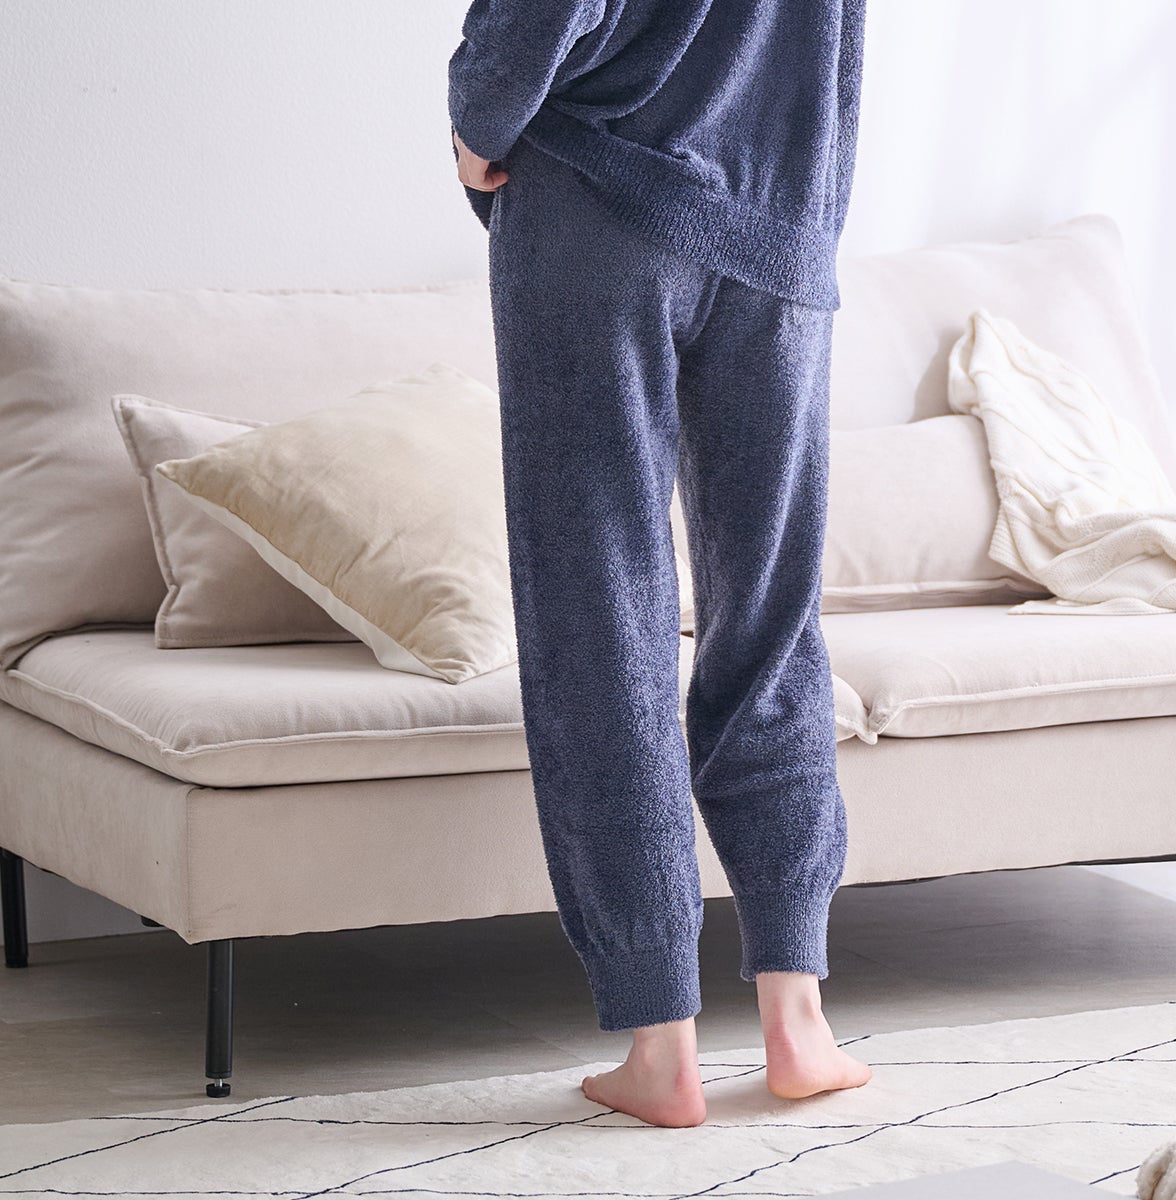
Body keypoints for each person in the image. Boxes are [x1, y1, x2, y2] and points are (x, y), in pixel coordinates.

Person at [447, 0, 873, 1129]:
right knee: (770, 614)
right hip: (780, 223)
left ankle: (659, 1045)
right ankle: (798, 1017)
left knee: (599, 609)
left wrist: (479, 115)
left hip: (595, 197)